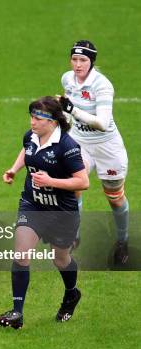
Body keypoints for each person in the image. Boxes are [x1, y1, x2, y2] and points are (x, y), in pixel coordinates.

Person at [0, 96, 89, 329]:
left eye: (37, 118)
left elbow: (83, 182)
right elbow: (26, 150)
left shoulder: (68, 147)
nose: (32, 122)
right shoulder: (31, 136)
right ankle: (17, 312)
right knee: (21, 254)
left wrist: (51, 181)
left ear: (53, 121)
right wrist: (14, 169)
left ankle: (71, 294)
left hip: (62, 212)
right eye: (31, 117)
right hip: (33, 204)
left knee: (60, 259)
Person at [58, 40, 130, 265]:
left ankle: (122, 240)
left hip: (107, 147)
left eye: (83, 60)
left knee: (115, 199)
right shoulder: (67, 79)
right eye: (74, 59)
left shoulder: (102, 86)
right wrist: (63, 118)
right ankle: (74, 235)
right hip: (81, 144)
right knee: (74, 187)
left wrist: (73, 110)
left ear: (91, 62)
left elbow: (102, 123)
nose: (77, 64)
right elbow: (67, 108)